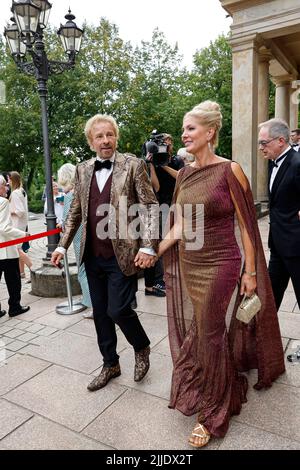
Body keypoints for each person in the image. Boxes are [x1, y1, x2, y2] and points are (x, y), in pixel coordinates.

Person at [153, 101, 285, 448]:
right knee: (205, 332)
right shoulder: (183, 174)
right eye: (183, 129)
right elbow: (181, 226)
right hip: (192, 265)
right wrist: (153, 250)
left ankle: (212, 411)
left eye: (191, 128)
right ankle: (221, 380)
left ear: (210, 132)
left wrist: (251, 272)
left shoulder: (231, 171)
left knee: (209, 335)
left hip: (222, 264)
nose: (183, 134)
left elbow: (246, 228)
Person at [51, 114, 159, 391]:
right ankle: (110, 363)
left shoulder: (133, 165)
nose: (105, 140)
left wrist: (148, 245)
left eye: (109, 134)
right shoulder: (83, 169)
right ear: (91, 142)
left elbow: (149, 206)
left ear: (116, 137)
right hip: (92, 255)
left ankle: (142, 346)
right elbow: (75, 212)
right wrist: (62, 245)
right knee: (100, 313)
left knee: (118, 309)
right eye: (99, 136)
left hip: (123, 254)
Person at [258, 118, 300, 311]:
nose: (260, 147)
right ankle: (266, 340)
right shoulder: (273, 163)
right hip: (277, 245)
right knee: (270, 297)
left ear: (281, 141)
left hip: (296, 246)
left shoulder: (297, 163)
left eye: (263, 143)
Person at [144, 134, 184, 297]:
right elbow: (157, 187)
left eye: (167, 142)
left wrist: (164, 165)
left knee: (175, 241)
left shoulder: (177, 160)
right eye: (161, 143)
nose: (165, 145)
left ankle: (169, 276)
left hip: (177, 204)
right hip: (160, 206)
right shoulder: (152, 162)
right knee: (159, 242)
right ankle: (155, 283)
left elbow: (182, 177)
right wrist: (153, 166)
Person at [57, 163, 93, 318]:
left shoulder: (70, 195)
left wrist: (60, 224)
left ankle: (93, 307)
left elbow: (67, 222)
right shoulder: (84, 190)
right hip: (92, 236)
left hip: (79, 239)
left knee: (83, 272)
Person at [0, 175, 30, 318]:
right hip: (5, 249)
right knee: (13, 280)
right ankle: (15, 307)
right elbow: (4, 228)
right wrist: (23, 234)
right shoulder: (3, 202)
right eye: (4, 185)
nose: (7, 188)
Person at [8, 171, 32, 279]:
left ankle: (33, 268)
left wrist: (9, 211)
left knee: (17, 249)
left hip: (17, 224)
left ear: (12, 179)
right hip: (22, 224)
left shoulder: (15, 193)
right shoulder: (21, 191)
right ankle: (22, 273)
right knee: (19, 248)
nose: (7, 181)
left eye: (8, 179)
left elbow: (20, 211)